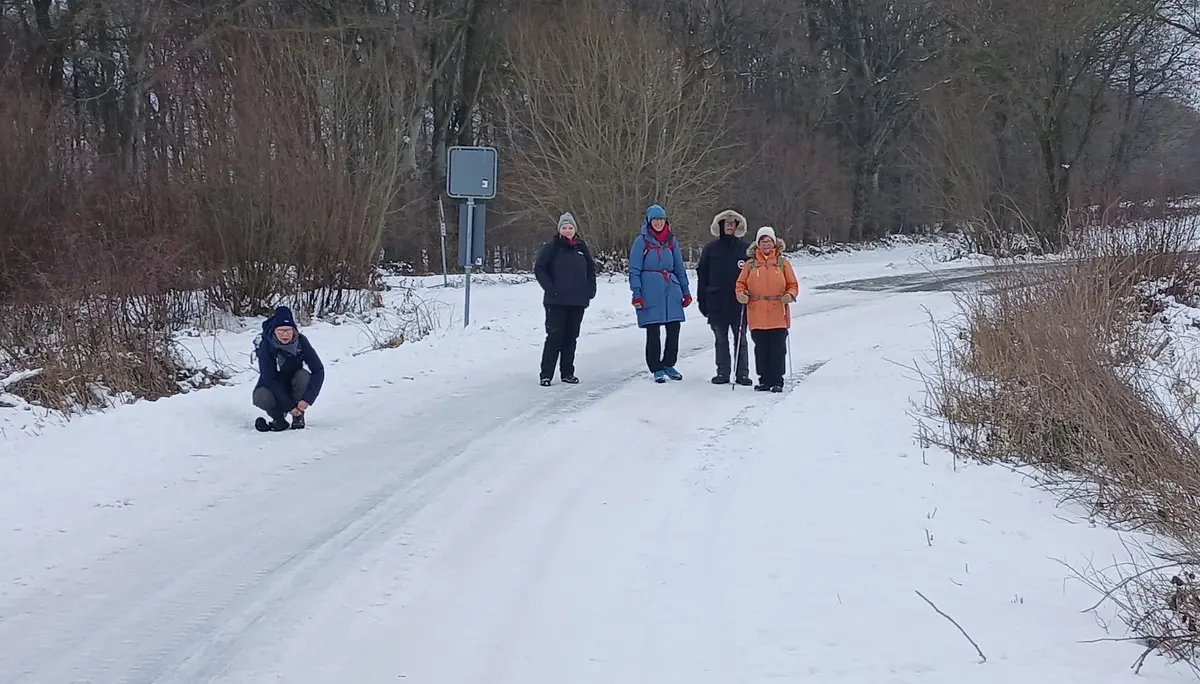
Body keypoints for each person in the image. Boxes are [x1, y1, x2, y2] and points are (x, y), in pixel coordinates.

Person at [629, 203, 692, 383]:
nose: (658, 223)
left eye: (661, 220)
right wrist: (637, 294)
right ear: (649, 222)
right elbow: (634, 269)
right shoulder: (641, 241)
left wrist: (685, 291)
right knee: (653, 329)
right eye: (655, 220)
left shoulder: (672, 241)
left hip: (671, 288)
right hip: (650, 290)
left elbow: (679, 268)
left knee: (674, 328)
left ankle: (669, 363)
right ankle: (655, 367)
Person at [534, 211, 598, 386]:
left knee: (571, 338)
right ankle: (546, 374)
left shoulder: (581, 247)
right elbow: (539, 268)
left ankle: (567, 373)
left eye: (570, 227)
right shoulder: (552, 247)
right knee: (555, 337)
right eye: (564, 227)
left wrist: (590, 291)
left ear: (575, 229)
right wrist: (550, 288)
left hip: (577, 301)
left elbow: (591, 270)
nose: (568, 230)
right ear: (559, 229)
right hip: (556, 301)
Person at [735, 226, 798, 392]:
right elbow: (740, 284)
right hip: (757, 312)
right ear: (757, 244)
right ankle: (764, 380)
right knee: (761, 349)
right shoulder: (750, 265)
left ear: (774, 243)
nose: (766, 244)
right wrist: (741, 294)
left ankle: (777, 380)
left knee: (777, 349)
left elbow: (793, 285)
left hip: (778, 312)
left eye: (768, 241)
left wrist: (790, 295)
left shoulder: (782, 263)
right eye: (762, 241)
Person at [697, 209, 752, 386]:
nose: (729, 226)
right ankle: (723, 373)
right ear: (720, 226)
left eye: (733, 223)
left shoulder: (745, 249)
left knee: (741, 340)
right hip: (716, 302)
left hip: (739, 304)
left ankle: (742, 374)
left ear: (737, 227)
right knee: (720, 340)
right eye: (726, 223)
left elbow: (754, 277)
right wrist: (702, 301)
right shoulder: (710, 249)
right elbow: (702, 277)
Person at [253, 306, 325, 431]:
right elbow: (269, 379)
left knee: (303, 376)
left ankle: (298, 415)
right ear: (274, 331)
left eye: (288, 330)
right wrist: (289, 406)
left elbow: (318, 370)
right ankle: (278, 417)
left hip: (294, 382)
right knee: (260, 396)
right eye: (281, 331)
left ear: (294, 330)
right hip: (273, 385)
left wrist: (307, 399)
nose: (285, 334)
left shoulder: (301, 342)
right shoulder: (266, 345)